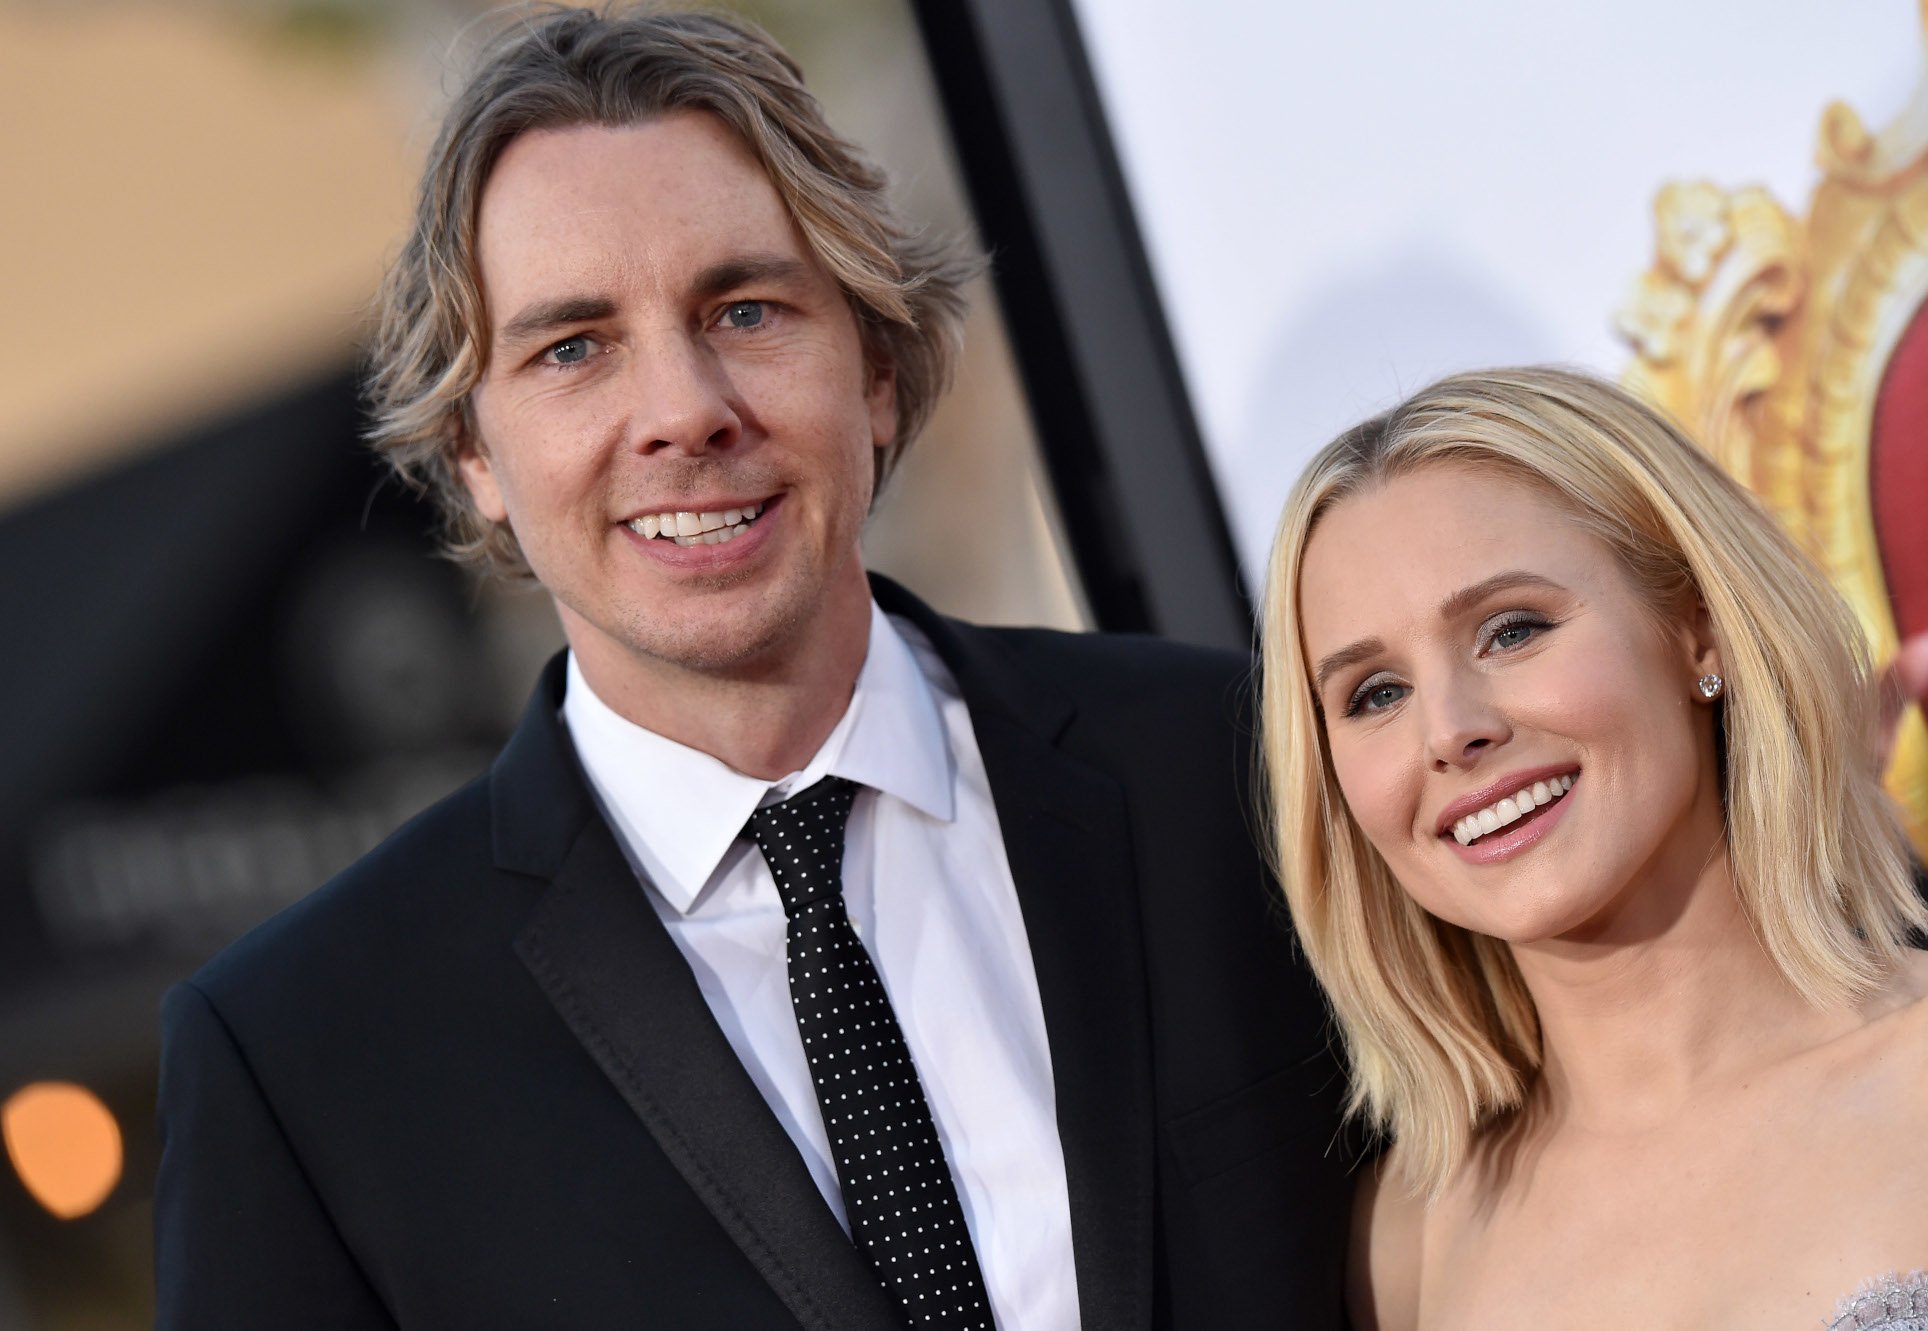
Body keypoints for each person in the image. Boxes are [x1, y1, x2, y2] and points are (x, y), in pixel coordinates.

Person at [152, 7, 1351, 1329]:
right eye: (574, 348)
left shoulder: (1232, 763)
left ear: (878, 371)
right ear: (475, 456)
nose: (683, 410)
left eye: (746, 307)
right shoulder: (307, 1055)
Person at [1257, 367, 1928, 1329]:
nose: (1449, 730)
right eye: (1375, 693)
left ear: (1697, 629)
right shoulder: (1406, 1243)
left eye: (1510, 631)